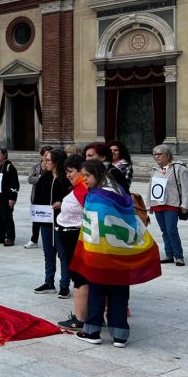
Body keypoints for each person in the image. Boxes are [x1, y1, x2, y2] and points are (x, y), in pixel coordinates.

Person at [70, 159, 161, 347]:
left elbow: (93, 226)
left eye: (87, 176)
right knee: (120, 292)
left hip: (101, 253)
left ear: (98, 174)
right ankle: (120, 335)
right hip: (121, 252)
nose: (84, 179)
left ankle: (92, 332)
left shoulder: (96, 196)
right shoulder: (121, 192)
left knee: (97, 292)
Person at [55, 155, 89, 332]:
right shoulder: (78, 187)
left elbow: (90, 213)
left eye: (70, 171)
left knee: (79, 277)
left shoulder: (83, 188)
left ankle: (80, 318)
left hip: (74, 236)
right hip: (69, 235)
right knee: (78, 276)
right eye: (66, 172)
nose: (68, 175)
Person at [33, 148, 72, 297]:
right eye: (45, 159)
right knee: (48, 254)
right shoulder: (44, 177)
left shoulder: (65, 179)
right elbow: (37, 198)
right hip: (46, 222)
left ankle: (64, 285)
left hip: (63, 223)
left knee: (63, 255)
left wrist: (62, 203)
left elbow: (74, 198)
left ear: (56, 162)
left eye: (48, 160)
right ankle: (49, 282)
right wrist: (37, 217)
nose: (45, 162)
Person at [149, 143, 188, 266]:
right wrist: (149, 204)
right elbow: (150, 187)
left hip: (172, 203)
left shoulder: (179, 168)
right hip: (158, 203)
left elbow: (186, 188)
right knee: (164, 230)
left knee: (171, 229)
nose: (157, 157)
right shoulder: (155, 169)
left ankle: (179, 256)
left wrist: (185, 204)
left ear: (168, 155)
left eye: (160, 154)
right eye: (155, 154)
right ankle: (169, 254)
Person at [25, 145, 54, 248]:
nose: (46, 157)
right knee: (36, 219)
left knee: (49, 220)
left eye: (49, 155)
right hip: (37, 196)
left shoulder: (52, 167)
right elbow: (30, 179)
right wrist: (42, 179)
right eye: (45, 155)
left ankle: (51, 240)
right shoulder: (36, 167)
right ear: (41, 156)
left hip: (49, 197)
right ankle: (34, 240)